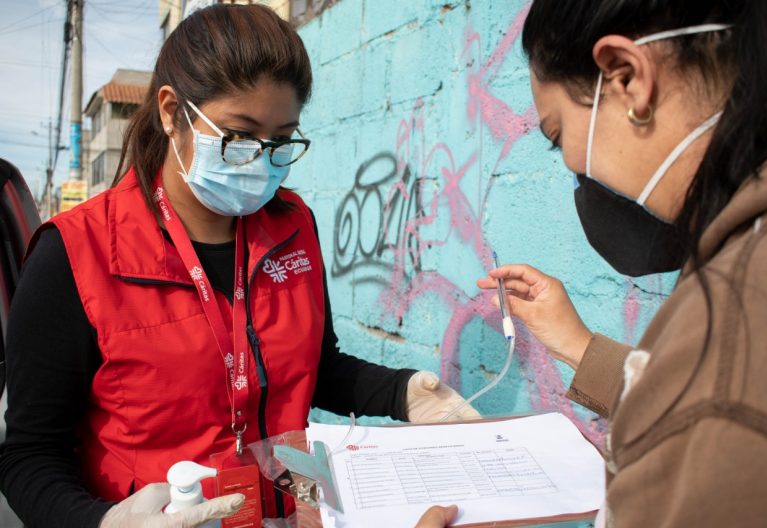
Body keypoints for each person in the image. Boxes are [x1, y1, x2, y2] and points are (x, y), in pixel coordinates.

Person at [0, 5, 479, 528]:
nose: (260, 160)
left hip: (293, 511)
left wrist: (403, 393)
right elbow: (28, 456)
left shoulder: (294, 225)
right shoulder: (74, 254)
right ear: (171, 112)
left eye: (280, 142)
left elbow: (312, 368)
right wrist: (101, 523)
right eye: (239, 136)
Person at [416, 0, 767, 526]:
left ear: (626, 78)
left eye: (558, 135)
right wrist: (580, 347)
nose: (572, 168)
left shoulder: (735, 312)